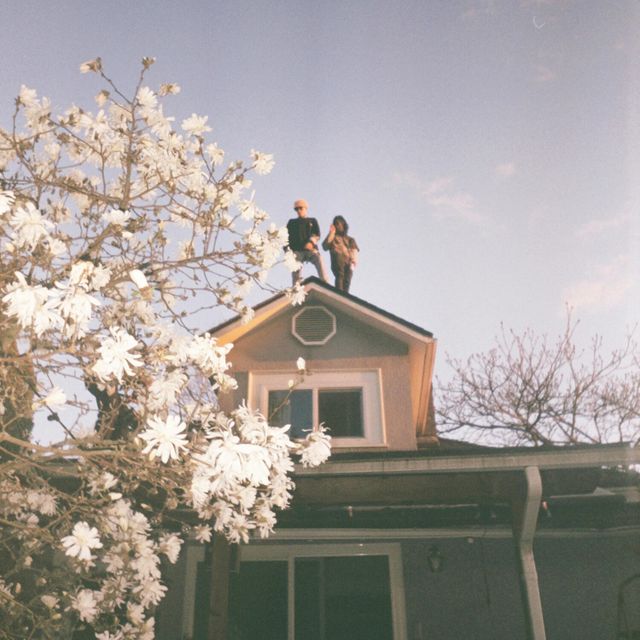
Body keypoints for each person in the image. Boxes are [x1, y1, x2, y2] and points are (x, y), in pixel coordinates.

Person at [286, 199, 328, 284]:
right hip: (297, 251)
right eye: (296, 209)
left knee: (319, 259)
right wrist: (288, 252)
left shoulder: (312, 221)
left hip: (310, 249)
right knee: (295, 269)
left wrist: (311, 242)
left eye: (300, 208)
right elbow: (285, 237)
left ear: (305, 208)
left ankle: (325, 282)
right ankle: (296, 287)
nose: (298, 210)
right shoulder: (292, 222)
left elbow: (317, 234)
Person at [322, 215, 359, 292]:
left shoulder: (350, 239)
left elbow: (354, 251)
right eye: (335, 224)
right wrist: (331, 233)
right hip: (337, 260)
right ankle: (339, 293)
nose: (337, 226)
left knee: (347, 280)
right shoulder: (333, 237)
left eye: (338, 224)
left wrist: (353, 263)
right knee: (340, 276)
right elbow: (325, 246)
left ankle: (344, 295)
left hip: (349, 262)